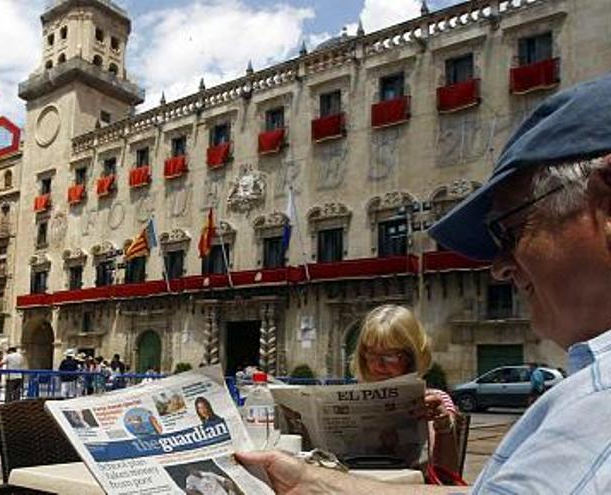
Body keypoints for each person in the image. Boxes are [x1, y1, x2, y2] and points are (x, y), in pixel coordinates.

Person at [237, 73, 611, 493]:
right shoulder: (589, 387)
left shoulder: (600, 400)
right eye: (372, 354)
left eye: (511, 228)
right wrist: (307, 479)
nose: (499, 268)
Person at [350, 305, 460, 474]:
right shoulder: (352, 395)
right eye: (371, 354)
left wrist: (443, 424)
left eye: (389, 355)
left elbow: (447, 476)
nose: (378, 365)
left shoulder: (434, 401)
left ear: (412, 356)